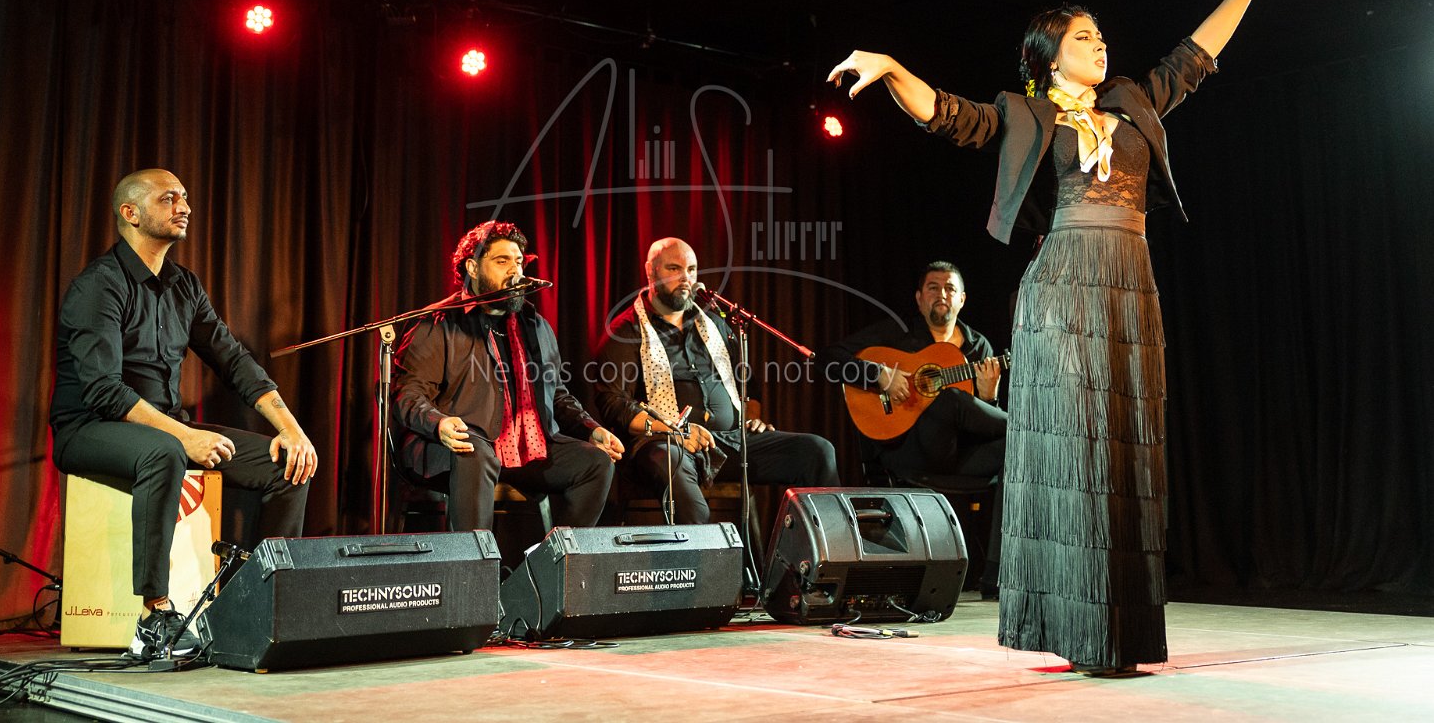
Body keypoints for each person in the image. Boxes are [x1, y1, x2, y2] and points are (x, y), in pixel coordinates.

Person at [826, 0, 1307, 675]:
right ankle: (1079, 629)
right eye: (1083, 36)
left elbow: (1194, 56)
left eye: (1100, 35)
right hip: (1061, 285)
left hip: (1129, 281)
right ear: (1050, 56)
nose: (1099, 44)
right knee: (1073, 451)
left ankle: (1121, 630)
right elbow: (949, 116)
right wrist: (892, 67)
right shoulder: (1025, 113)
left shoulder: (1134, 101)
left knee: (1125, 449)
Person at [50, 169, 316, 662]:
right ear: (130, 213)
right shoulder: (99, 285)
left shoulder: (183, 285)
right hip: (88, 428)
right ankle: (154, 614)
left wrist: (292, 430)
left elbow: (233, 360)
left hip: (163, 425)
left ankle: (258, 603)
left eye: (186, 197)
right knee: (165, 451)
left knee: (286, 465)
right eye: (168, 198)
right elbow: (104, 389)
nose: (184, 206)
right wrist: (185, 437)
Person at [392, 221, 623, 539]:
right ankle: (474, 566)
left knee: (596, 463)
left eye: (518, 262)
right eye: (502, 261)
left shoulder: (535, 325)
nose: (515, 271)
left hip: (525, 449)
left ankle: (551, 561)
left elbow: (556, 395)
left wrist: (591, 429)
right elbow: (408, 393)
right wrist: (439, 423)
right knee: (473, 451)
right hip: (449, 446)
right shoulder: (438, 322)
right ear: (473, 267)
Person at [591, 237, 839, 526]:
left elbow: (747, 385)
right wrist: (676, 431)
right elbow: (613, 403)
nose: (686, 278)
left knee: (817, 452)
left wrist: (750, 419)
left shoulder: (715, 324)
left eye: (692, 270)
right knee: (673, 466)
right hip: (665, 445)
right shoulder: (625, 331)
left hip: (729, 442)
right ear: (651, 272)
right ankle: (705, 553)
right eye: (674, 269)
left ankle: (827, 550)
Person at [820, 260, 1006, 597]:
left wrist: (990, 398)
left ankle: (995, 576)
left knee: (1014, 449)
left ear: (962, 299)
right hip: (909, 451)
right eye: (933, 288)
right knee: (949, 399)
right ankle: (1023, 425)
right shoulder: (897, 334)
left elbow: (983, 427)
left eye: (950, 288)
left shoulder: (979, 348)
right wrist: (878, 376)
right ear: (919, 298)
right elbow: (828, 359)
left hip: (959, 457)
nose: (942, 294)